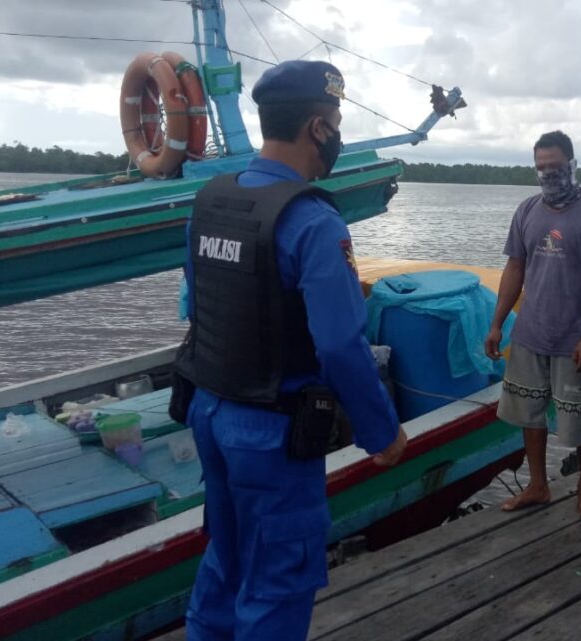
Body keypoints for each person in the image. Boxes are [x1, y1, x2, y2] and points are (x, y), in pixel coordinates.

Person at [174, 60, 408, 641]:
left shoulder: (211, 200)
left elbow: (194, 308)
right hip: (272, 435)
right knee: (278, 584)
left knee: (226, 563)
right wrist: (383, 434)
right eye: (335, 120)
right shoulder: (310, 220)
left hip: (210, 410)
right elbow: (339, 344)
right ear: (319, 128)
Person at [485, 130, 581, 518]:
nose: (548, 174)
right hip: (530, 332)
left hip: (575, 338)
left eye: (555, 167)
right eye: (541, 167)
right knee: (529, 413)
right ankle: (538, 485)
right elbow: (514, 267)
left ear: (572, 165)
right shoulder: (527, 210)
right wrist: (497, 324)